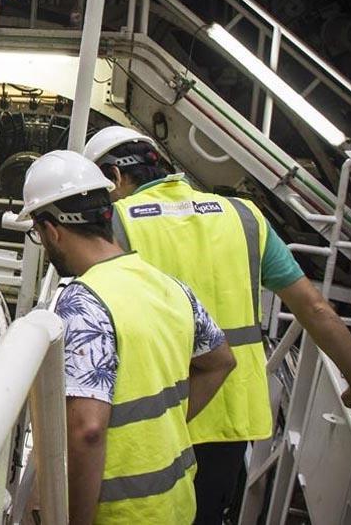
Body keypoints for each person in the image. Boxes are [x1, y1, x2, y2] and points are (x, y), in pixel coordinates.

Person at [83, 125, 351, 524]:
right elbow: (314, 309)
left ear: (115, 177)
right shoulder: (245, 218)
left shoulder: (116, 225)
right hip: (230, 412)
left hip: (153, 417)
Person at [19, 150, 236, 525]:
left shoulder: (83, 303)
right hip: (177, 502)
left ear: (52, 230)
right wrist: (158, 431)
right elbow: (221, 362)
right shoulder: (169, 286)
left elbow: (87, 431)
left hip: (121, 513)